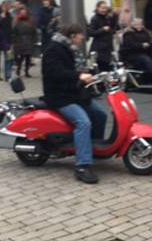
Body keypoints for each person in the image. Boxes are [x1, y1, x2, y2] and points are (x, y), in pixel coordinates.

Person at [43, 23, 107, 184]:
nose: (83, 39)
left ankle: (92, 149)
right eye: (80, 36)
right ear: (72, 36)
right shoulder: (54, 50)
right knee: (83, 122)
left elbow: (79, 69)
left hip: (75, 94)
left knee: (100, 115)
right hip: (60, 96)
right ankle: (83, 165)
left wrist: (94, 74)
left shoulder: (72, 49)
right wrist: (78, 76)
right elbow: (55, 73)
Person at [120, 18, 152, 83]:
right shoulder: (128, 33)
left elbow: (149, 41)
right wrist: (141, 45)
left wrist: (150, 44)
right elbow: (130, 45)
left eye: (140, 24)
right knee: (145, 58)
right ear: (132, 25)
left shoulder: (146, 32)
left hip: (144, 52)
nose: (138, 26)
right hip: (132, 54)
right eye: (136, 24)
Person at [87, 1, 117, 72]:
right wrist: (102, 29)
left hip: (108, 47)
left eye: (105, 8)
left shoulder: (108, 18)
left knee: (108, 69)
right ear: (97, 8)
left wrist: (115, 16)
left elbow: (113, 28)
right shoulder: (94, 18)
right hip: (99, 48)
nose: (104, 10)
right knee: (99, 69)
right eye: (102, 8)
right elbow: (91, 33)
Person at [12, 7, 38, 77]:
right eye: (22, 13)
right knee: (20, 58)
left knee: (28, 58)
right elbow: (14, 33)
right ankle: (18, 71)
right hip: (20, 41)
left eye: (24, 13)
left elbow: (34, 32)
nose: (23, 14)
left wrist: (34, 41)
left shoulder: (31, 22)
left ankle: (26, 71)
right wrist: (15, 42)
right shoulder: (16, 22)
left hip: (29, 41)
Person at [0, 1, 14, 81]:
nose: (7, 8)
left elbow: (10, 27)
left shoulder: (9, 15)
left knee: (9, 58)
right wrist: (1, 18)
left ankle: (8, 75)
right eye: (6, 6)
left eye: (9, 7)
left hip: (7, 40)